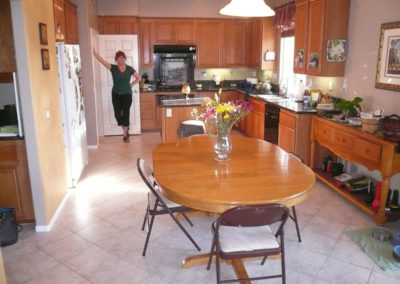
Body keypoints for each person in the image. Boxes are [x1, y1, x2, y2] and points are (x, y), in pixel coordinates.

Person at [93, 49, 141, 142]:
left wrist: (131, 84)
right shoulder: (113, 68)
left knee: (126, 113)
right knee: (117, 115)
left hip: (127, 95)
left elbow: (138, 78)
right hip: (116, 95)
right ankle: (126, 128)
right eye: (119, 58)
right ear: (116, 59)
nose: (121, 59)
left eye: (123, 58)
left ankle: (125, 134)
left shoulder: (130, 69)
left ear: (125, 59)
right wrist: (94, 52)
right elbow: (102, 61)